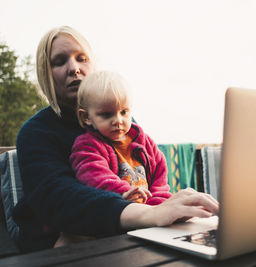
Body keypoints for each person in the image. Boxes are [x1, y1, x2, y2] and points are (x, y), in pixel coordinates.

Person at [13, 26, 218, 252]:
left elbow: (153, 171)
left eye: (82, 59)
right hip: (58, 242)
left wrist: (167, 206)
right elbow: (58, 197)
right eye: (59, 61)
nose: (74, 68)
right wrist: (148, 213)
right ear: (45, 72)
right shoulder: (37, 131)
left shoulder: (126, 128)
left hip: (129, 230)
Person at [70, 70, 172, 205]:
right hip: (120, 215)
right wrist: (122, 192)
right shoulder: (88, 146)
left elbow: (160, 178)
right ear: (86, 117)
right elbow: (95, 175)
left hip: (151, 213)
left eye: (123, 112)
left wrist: (158, 205)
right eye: (107, 114)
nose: (118, 120)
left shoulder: (146, 143)